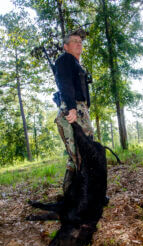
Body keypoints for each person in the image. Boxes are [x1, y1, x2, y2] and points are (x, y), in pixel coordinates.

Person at [54, 30, 93, 192]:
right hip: (73, 109)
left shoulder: (76, 64)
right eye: (75, 41)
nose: (79, 43)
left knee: (77, 154)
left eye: (80, 41)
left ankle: (70, 192)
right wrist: (71, 107)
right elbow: (64, 83)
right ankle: (87, 195)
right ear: (66, 46)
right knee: (84, 152)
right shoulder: (65, 59)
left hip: (79, 109)